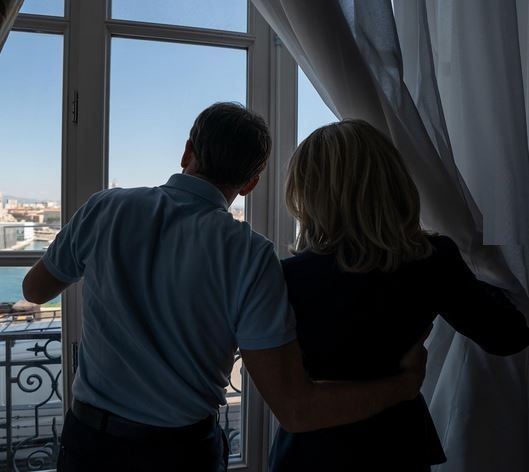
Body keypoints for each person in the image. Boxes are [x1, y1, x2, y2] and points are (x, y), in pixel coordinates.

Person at [23, 104, 428, 472]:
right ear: (250, 183)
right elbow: (295, 408)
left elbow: (35, 290)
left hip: (90, 443)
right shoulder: (250, 254)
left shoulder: (105, 208)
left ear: (187, 152)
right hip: (180, 454)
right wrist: (404, 384)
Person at [268, 119, 529, 472]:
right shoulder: (432, 260)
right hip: (397, 445)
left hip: (312, 452)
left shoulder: (286, 277)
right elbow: (508, 336)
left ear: (307, 194)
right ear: (390, 181)